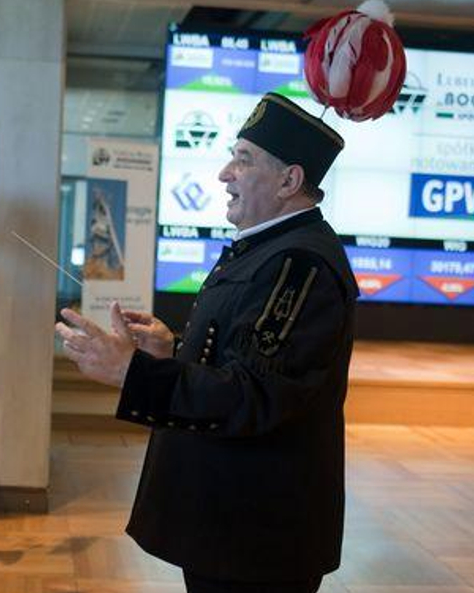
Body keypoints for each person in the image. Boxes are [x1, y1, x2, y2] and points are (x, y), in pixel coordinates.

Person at [56, 93, 359, 593]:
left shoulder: (299, 265)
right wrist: (170, 351)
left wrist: (132, 372)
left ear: (290, 181)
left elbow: (255, 395)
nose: (224, 174)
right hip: (227, 525)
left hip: (255, 537)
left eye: (244, 160)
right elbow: (242, 359)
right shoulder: (270, 248)